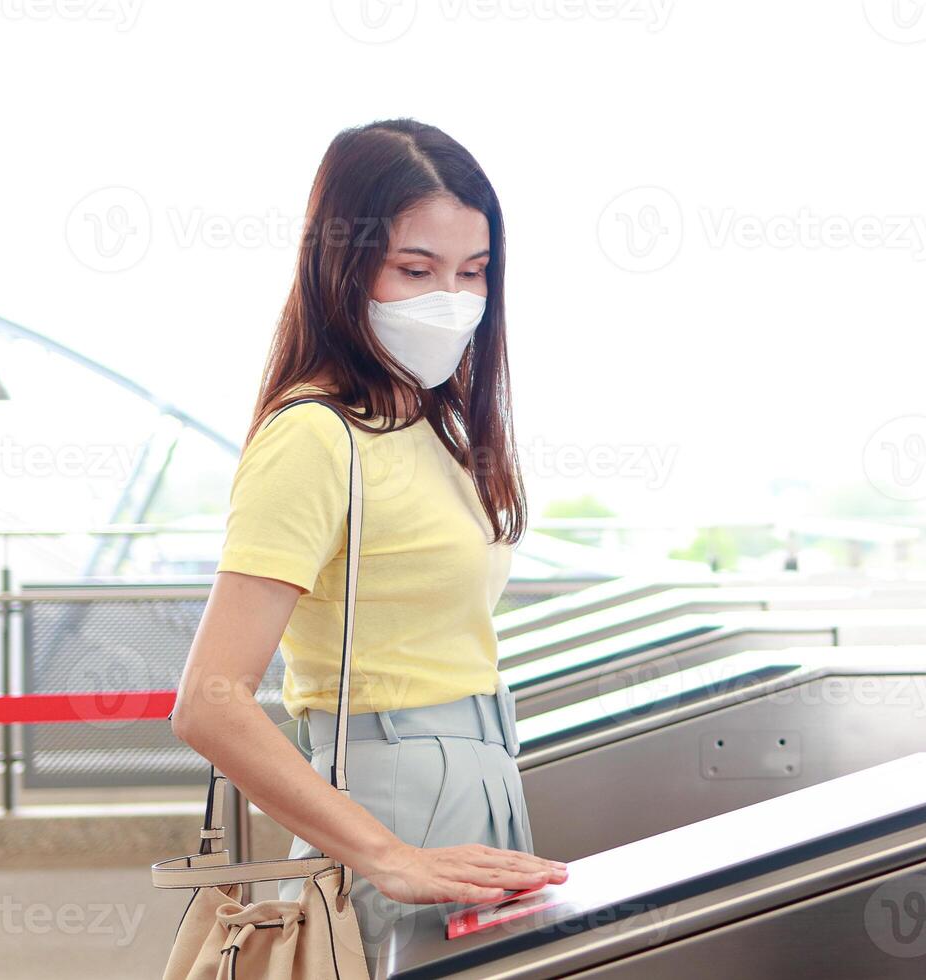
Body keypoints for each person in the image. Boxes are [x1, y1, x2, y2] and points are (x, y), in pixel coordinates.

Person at [171, 118, 567, 971]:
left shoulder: (431, 423)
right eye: (416, 270)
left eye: (473, 273)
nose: (452, 300)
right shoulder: (315, 436)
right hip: (392, 800)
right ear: (342, 268)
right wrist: (390, 855)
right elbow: (208, 699)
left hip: (481, 777)